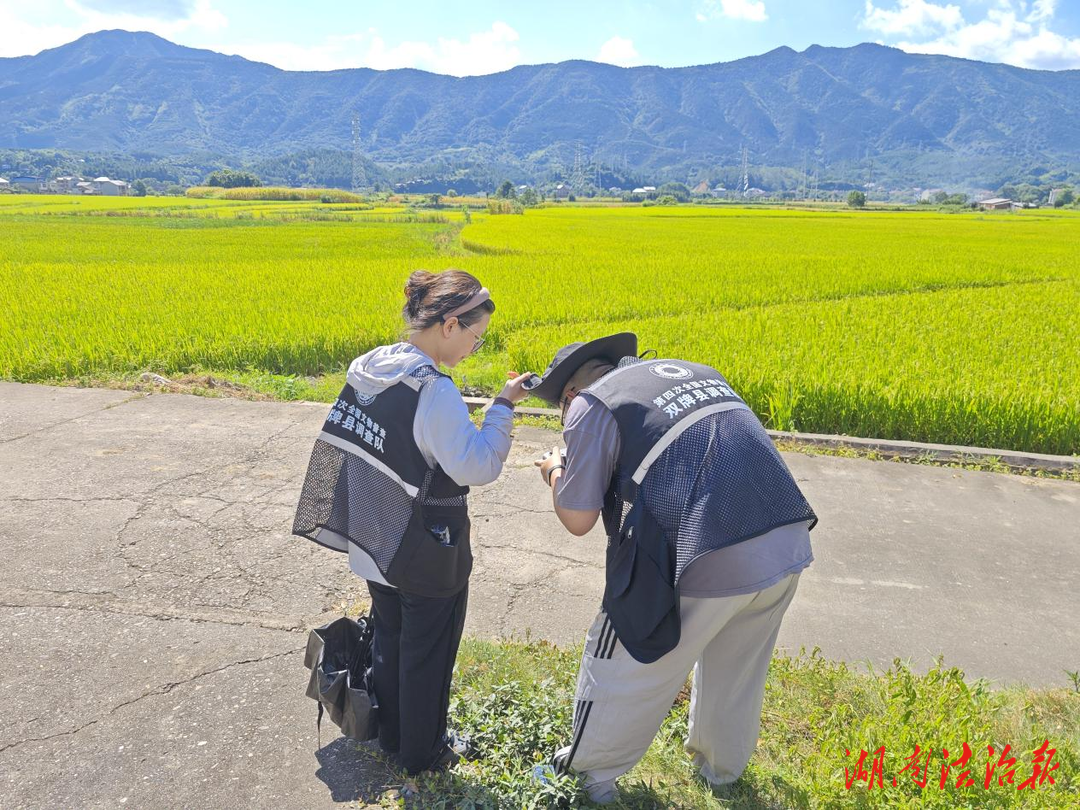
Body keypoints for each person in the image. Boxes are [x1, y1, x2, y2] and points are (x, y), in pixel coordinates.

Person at [528, 333, 817, 803]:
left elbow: (577, 518)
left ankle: (587, 775)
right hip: (785, 538)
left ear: (569, 395)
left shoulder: (591, 404)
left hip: (703, 554)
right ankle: (721, 772)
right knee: (736, 668)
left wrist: (555, 470)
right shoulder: (696, 372)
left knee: (624, 663)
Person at [293, 269, 534, 774]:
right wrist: (503, 407)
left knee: (390, 641)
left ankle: (394, 737)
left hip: (372, 540)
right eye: (476, 335)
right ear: (449, 324)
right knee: (426, 654)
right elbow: (477, 465)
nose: (475, 346)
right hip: (424, 552)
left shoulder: (368, 367)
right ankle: (422, 757)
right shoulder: (434, 389)